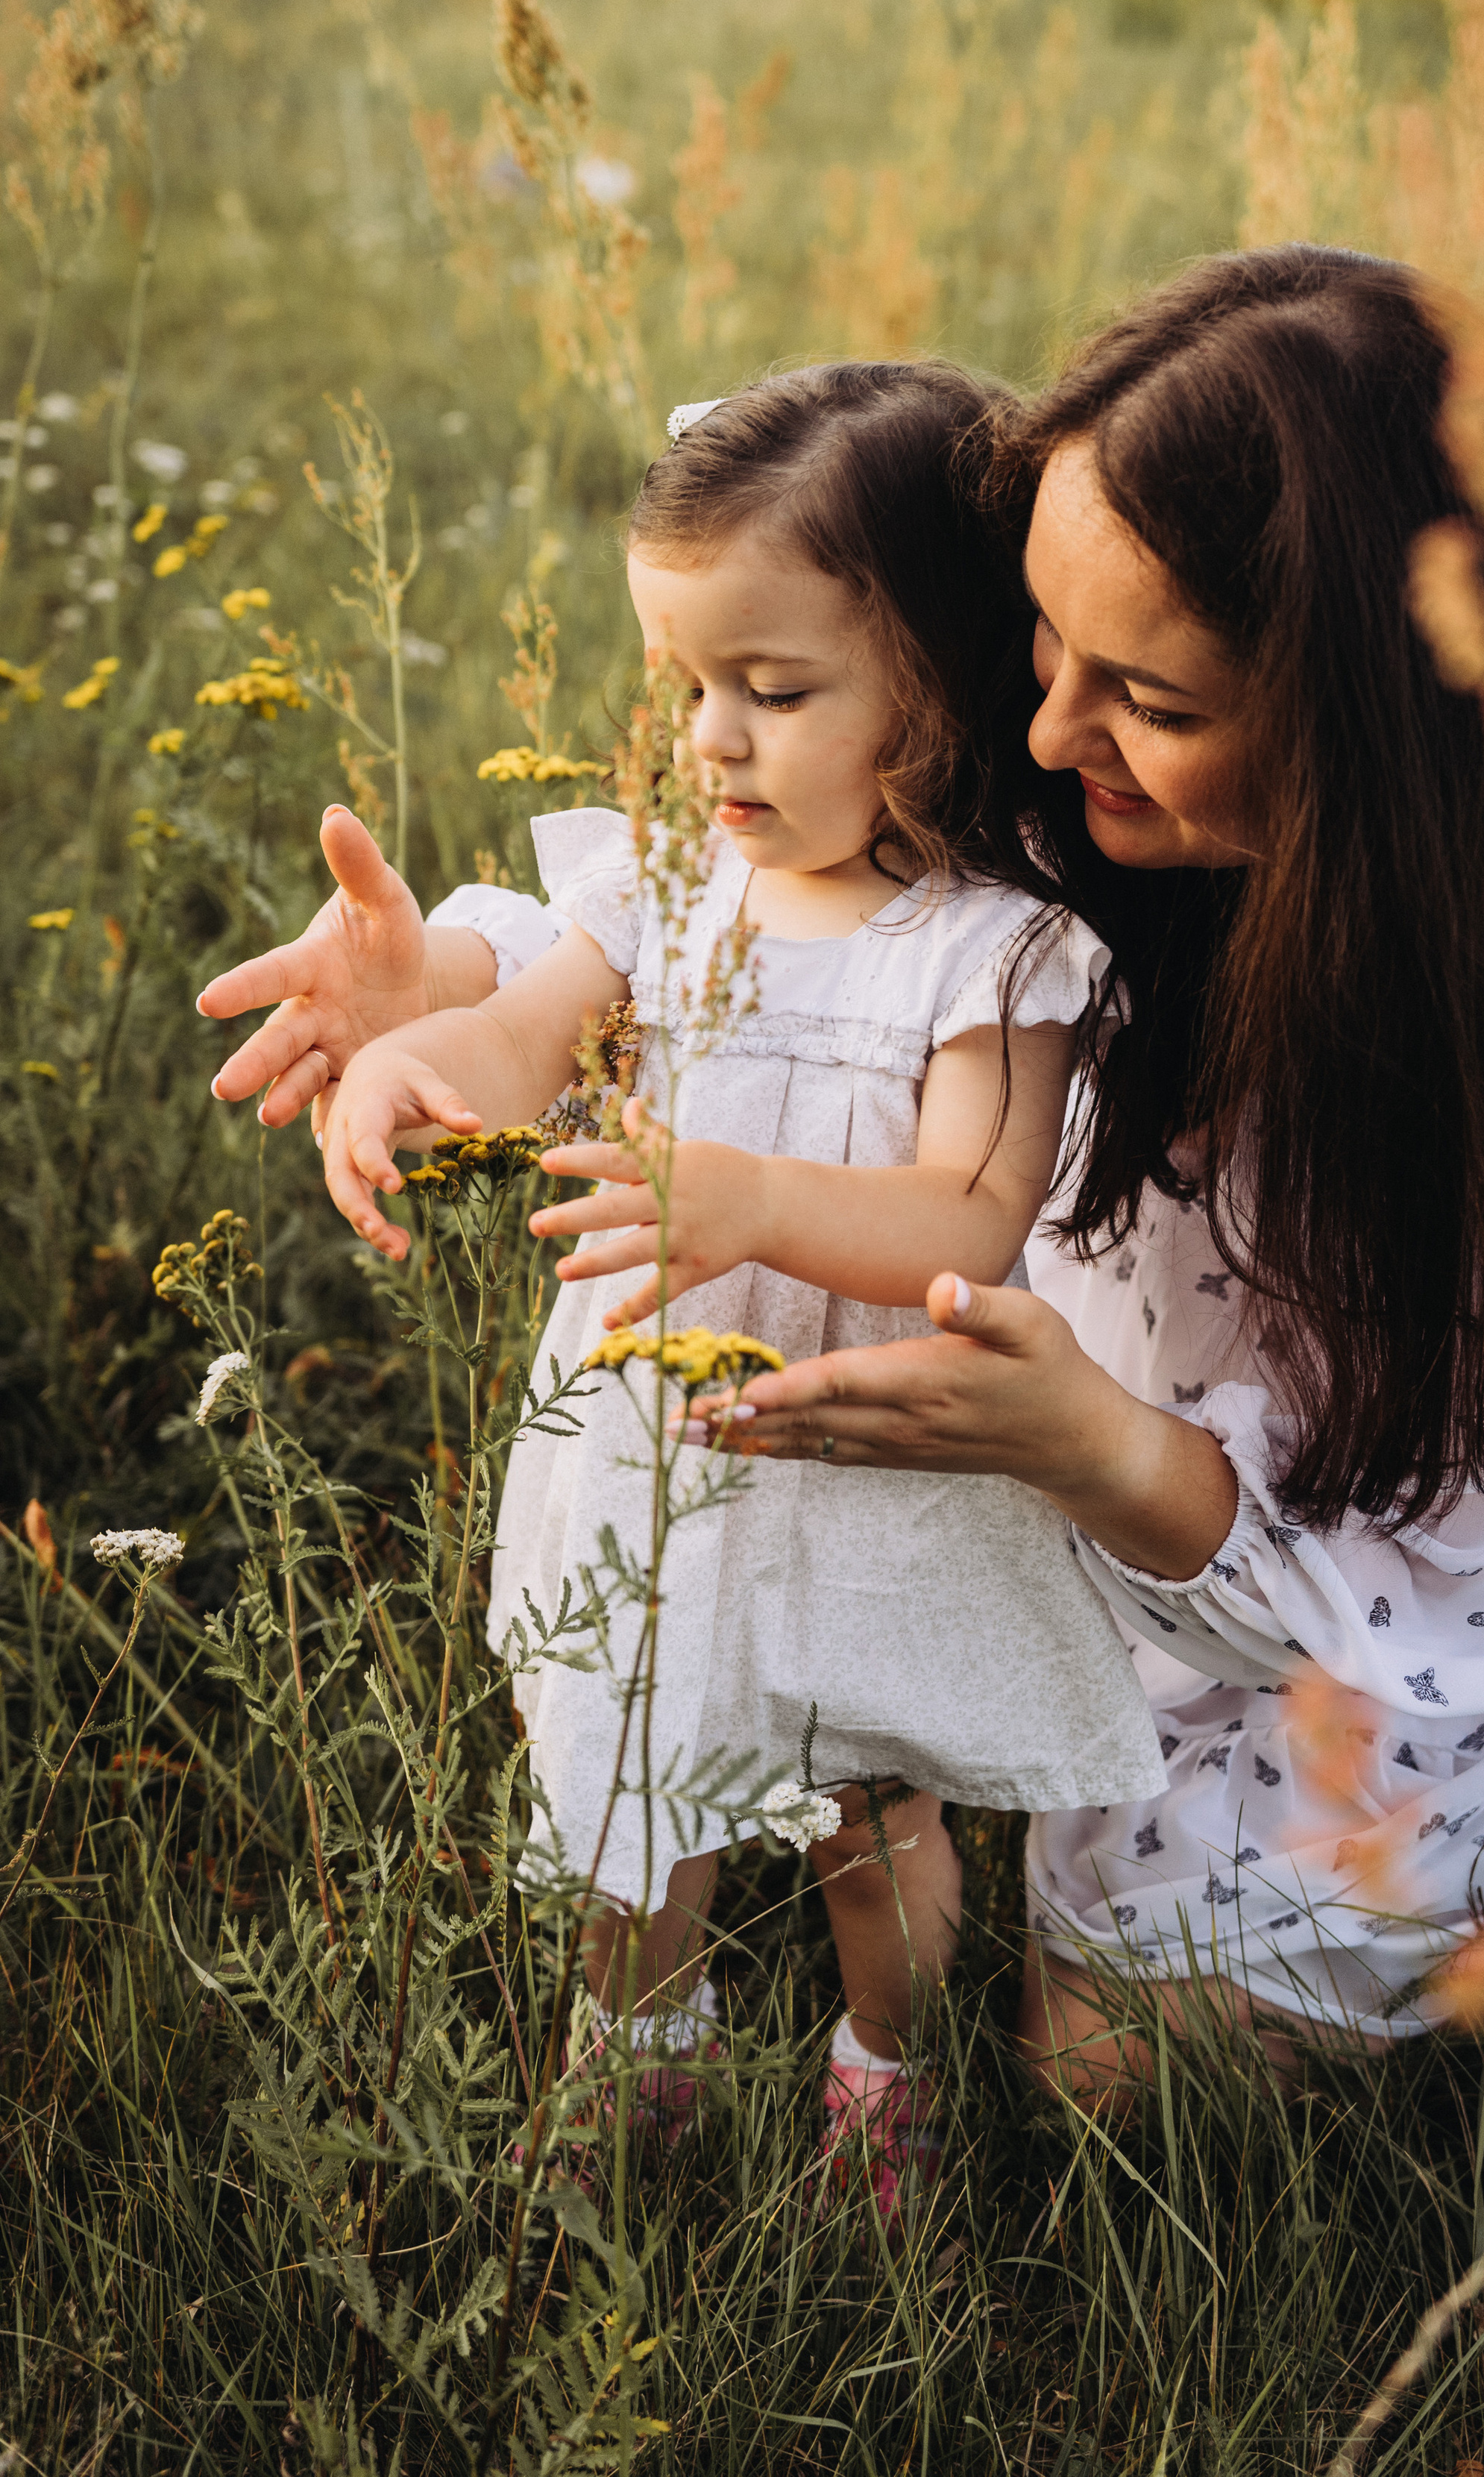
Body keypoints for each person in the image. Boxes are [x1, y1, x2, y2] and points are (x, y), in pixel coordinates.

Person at [201, 248, 1484, 2113]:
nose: (1038, 738)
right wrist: (458, 987)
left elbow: (1482, 1558)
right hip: (1169, 1388)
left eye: (1149, 699)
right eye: (1037, 643)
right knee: (810, 1670)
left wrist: (1086, 1450)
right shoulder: (1115, 729)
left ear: (1351, 726)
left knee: (1112, 2063)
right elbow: (817, 922)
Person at [304, 362, 1163, 2196]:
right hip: (662, 1437)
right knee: (639, 1764)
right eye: (689, 687)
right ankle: (640, 2061)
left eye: (774, 694)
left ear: (934, 695)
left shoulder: (989, 956)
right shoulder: (666, 893)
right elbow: (526, 1033)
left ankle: (889, 2081)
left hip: (870, 1444)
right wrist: (415, 1066)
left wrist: (753, 1198)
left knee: (875, 1808)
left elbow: (965, 1219)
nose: (711, 740)